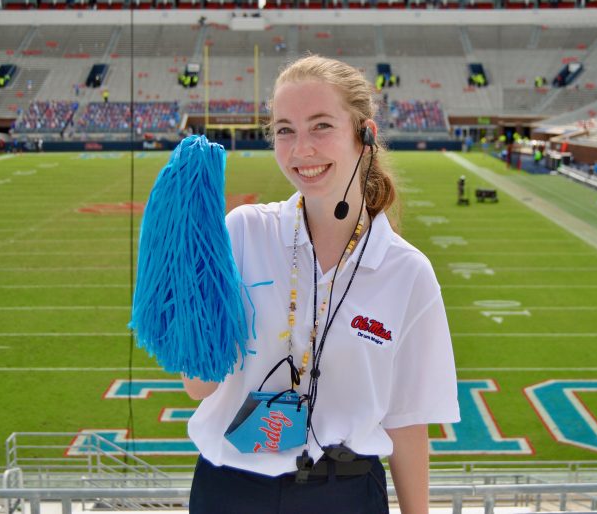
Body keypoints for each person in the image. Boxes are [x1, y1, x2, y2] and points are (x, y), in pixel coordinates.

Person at [183, 55, 460, 514]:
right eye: (284, 129)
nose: (300, 149)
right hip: (230, 489)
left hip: (344, 492)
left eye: (320, 126)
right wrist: (188, 296)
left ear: (364, 135)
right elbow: (198, 387)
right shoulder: (243, 232)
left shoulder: (406, 271)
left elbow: (408, 424)